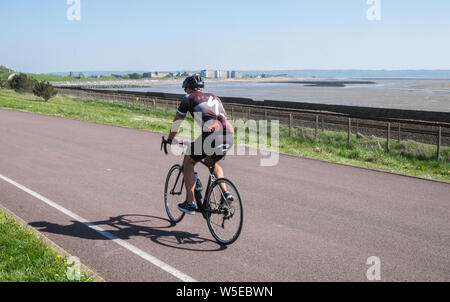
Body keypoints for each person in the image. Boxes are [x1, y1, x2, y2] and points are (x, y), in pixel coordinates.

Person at [163, 74, 234, 215]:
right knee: (210, 161)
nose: (186, 92)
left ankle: (190, 203)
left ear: (189, 89)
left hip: (211, 135)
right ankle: (226, 194)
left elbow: (178, 120)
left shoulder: (188, 98)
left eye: (186, 90)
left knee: (188, 162)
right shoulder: (215, 97)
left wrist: (170, 139)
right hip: (229, 135)